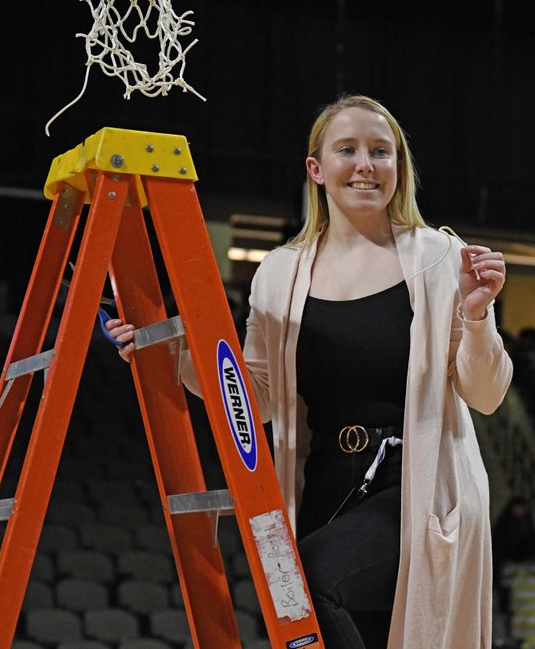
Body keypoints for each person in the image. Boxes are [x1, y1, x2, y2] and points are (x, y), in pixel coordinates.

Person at [106, 94, 513, 648]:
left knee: (313, 579)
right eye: (347, 149)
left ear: (400, 168)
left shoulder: (439, 256)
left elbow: (485, 394)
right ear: (316, 170)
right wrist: (167, 356)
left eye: (381, 151)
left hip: (416, 487)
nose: (366, 164)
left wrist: (477, 313)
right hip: (323, 486)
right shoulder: (278, 272)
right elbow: (259, 400)